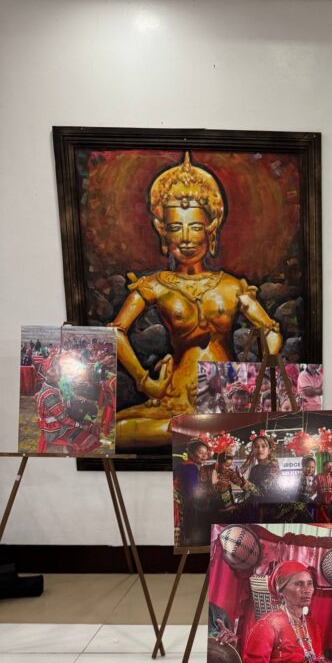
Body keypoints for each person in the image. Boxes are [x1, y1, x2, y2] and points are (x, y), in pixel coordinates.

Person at [107, 152, 282, 450]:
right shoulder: (156, 285)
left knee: (185, 430)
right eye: (176, 228)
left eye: (195, 227)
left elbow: (270, 330)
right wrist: (145, 381)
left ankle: (201, 431)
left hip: (225, 397)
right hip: (175, 398)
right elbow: (115, 332)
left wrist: (265, 360)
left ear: (211, 228)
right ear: (163, 231)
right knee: (110, 432)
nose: (186, 238)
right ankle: (194, 431)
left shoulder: (231, 286)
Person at [173, 438, 213, 546]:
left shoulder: (185, 465)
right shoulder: (190, 468)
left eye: (206, 453)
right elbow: (192, 492)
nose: (204, 455)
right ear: (191, 453)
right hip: (177, 505)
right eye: (200, 452)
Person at [211, 451, 253, 520]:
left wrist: (241, 478)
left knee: (227, 517)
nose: (227, 468)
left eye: (229, 466)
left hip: (226, 499)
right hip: (213, 500)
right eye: (226, 465)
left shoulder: (230, 472)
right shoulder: (211, 470)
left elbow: (240, 483)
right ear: (219, 462)